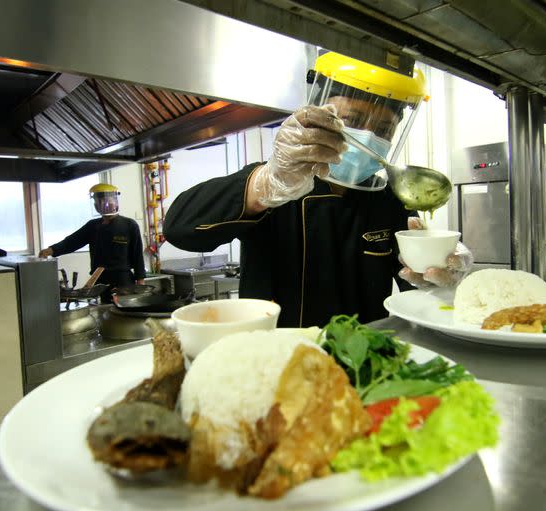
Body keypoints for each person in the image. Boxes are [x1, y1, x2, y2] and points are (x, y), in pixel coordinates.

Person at [163, 52, 471, 327]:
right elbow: (179, 228)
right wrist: (265, 184)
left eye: (383, 129)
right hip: (277, 361)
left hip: (365, 360)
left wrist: (441, 280)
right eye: (353, 119)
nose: (368, 136)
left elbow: (413, 287)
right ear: (321, 116)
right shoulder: (278, 182)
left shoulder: (390, 198)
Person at [39, 183, 146, 300]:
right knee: (103, 312)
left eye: (105, 201)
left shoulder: (129, 225)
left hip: (123, 280)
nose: (102, 205)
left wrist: (140, 281)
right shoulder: (93, 226)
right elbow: (72, 242)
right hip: (99, 280)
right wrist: (52, 250)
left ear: (115, 202)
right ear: (95, 205)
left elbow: (137, 256)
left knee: (124, 313)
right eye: (98, 202)